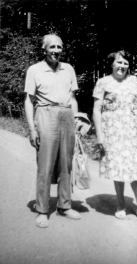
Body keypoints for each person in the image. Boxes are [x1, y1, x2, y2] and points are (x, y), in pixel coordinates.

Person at [24, 34, 81, 228]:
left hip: (67, 116)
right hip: (45, 114)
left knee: (66, 163)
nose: (56, 50)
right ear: (44, 49)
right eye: (52, 47)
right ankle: (42, 210)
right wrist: (32, 129)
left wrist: (77, 121)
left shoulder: (69, 69)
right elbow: (29, 101)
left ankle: (64, 206)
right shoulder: (34, 70)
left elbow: (72, 98)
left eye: (59, 47)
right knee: (46, 164)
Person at [93, 50, 137, 222]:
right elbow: (97, 111)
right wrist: (99, 135)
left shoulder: (134, 81)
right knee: (118, 168)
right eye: (119, 63)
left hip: (132, 130)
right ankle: (121, 205)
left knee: (135, 170)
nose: (122, 66)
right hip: (112, 131)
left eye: (125, 63)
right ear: (112, 64)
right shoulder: (102, 82)